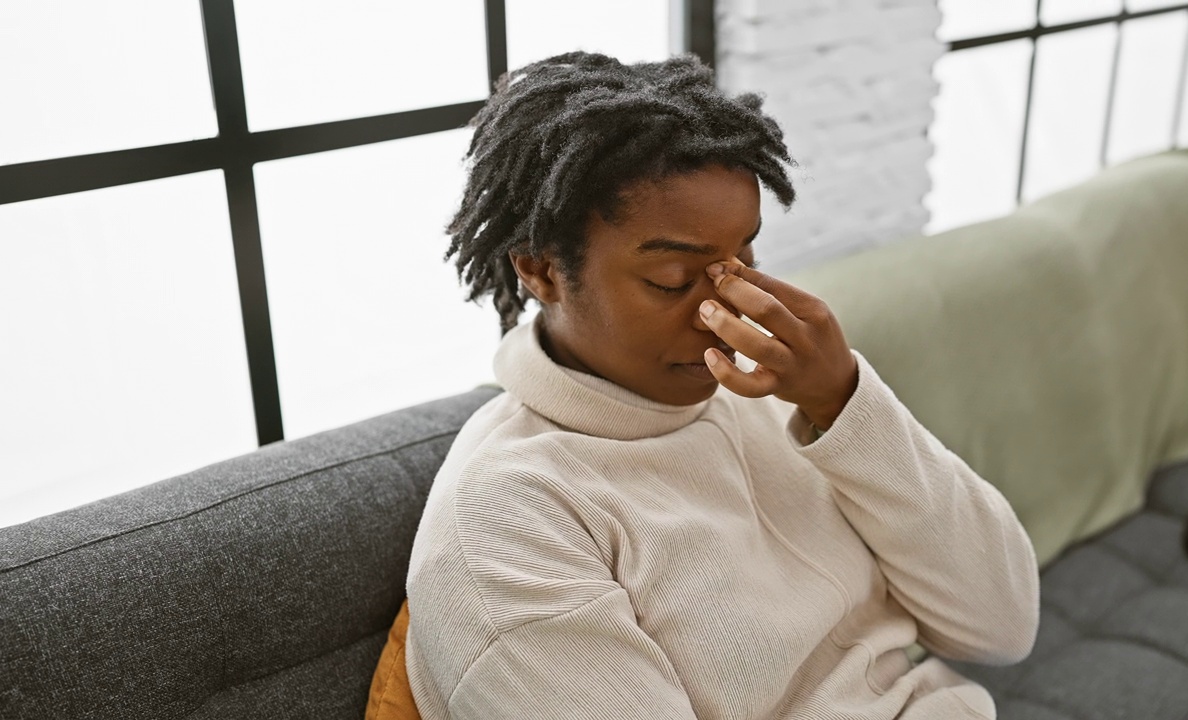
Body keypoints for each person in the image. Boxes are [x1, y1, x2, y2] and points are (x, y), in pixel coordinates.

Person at [404, 51, 1039, 719]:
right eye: (672, 281)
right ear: (541, 271)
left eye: (743, 263)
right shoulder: (508, 517)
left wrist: (844, 403)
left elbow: (1002, 626)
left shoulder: (763, 391)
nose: (727, 309)